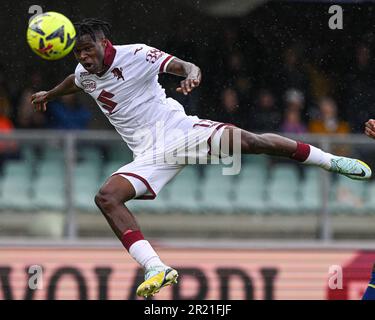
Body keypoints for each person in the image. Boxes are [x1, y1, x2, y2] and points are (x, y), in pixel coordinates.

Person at [31, 19, 372, 299]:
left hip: (179, 130)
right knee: (106, 196)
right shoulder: (83, 72)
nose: (84, 57)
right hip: (149, 154)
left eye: (88, 48)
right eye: (78, 52)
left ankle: (329, 160)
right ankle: (155, 267)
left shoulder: (136, 54)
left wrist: (192, 73)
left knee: (251, 141)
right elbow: (74, 82)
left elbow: (180, 65)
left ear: (106, 43)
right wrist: (50, 93)